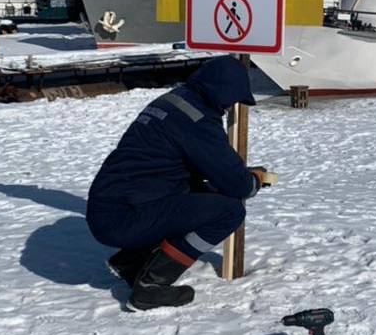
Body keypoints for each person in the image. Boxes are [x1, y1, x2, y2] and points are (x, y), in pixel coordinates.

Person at [86, 55, 268, 311]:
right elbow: (237, 185)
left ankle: (131, 261)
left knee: (201, 194)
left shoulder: (175, 101)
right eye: (231, 101)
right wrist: (254, 181)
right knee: (229, 211)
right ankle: (151, 287)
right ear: (223, 93)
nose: (229, 108)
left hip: (110, 205)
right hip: (124, 217)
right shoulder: (198, 120)